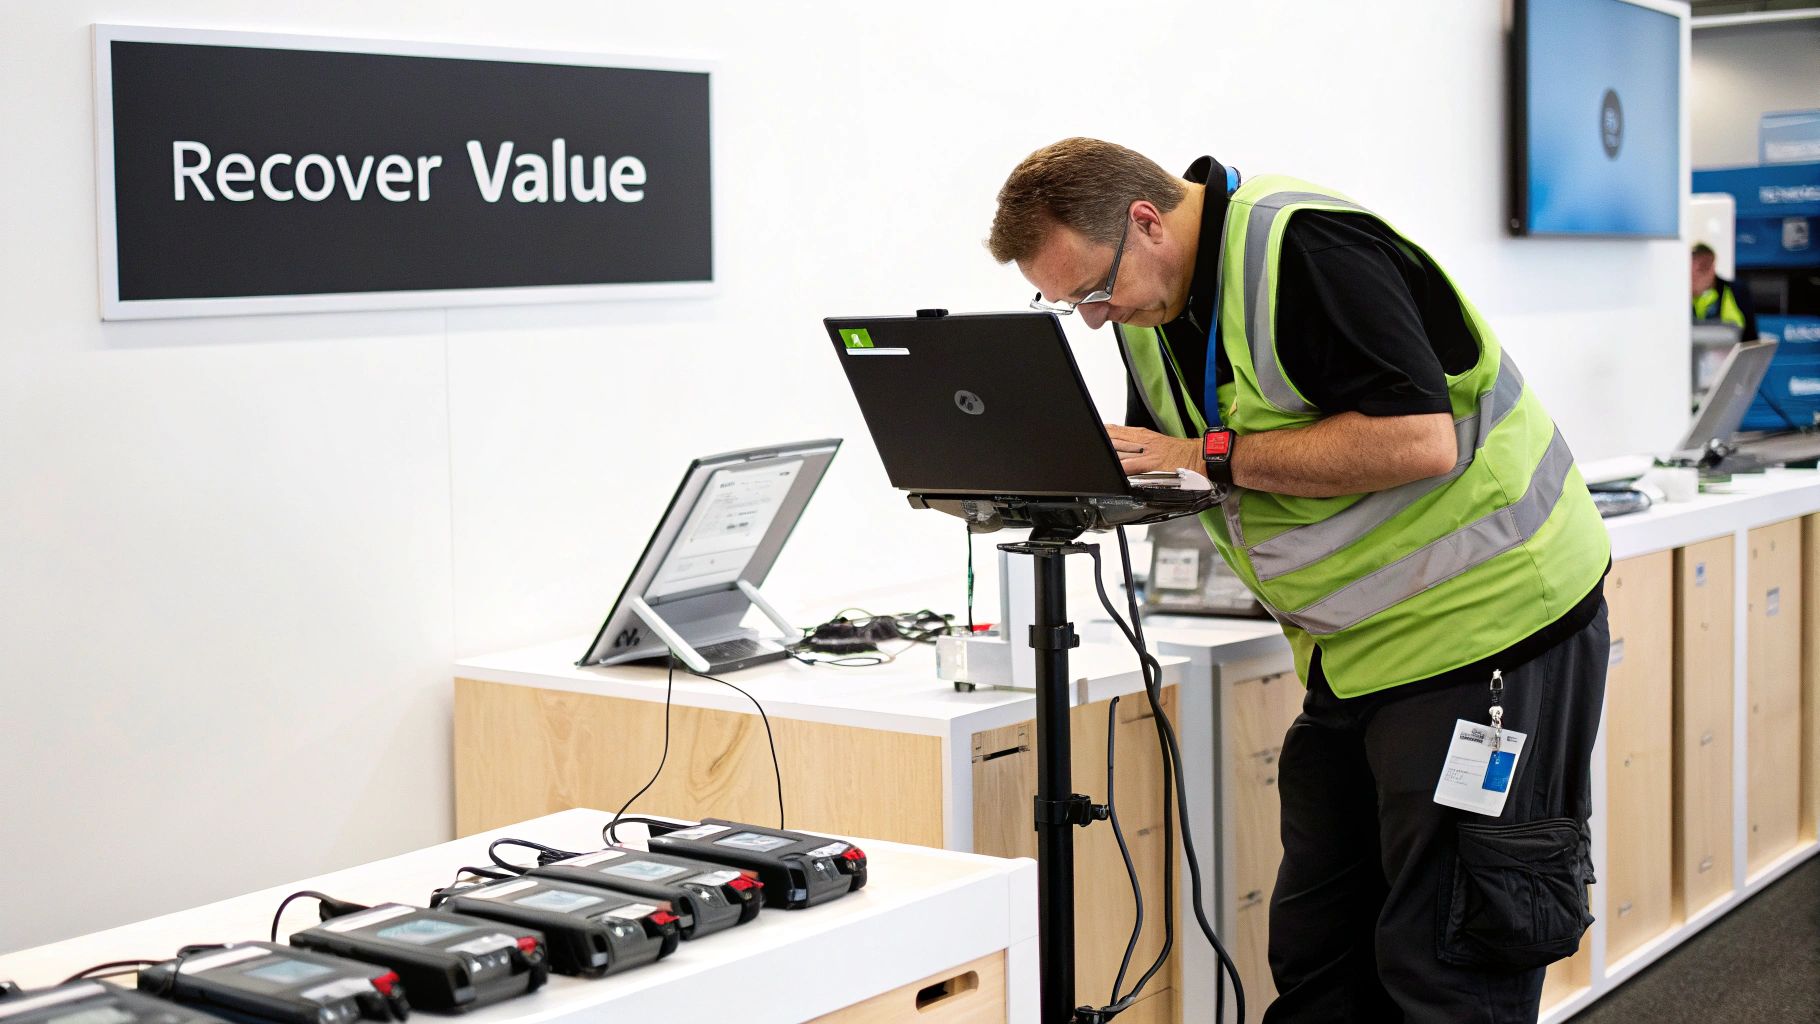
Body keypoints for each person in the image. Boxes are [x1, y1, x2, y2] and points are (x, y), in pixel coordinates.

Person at [986, 138, 1612, 1024]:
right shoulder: (1154, 307)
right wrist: (1067, 478)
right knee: (1321, 948)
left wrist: (1202, 454)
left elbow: (1417, 441)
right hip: (1353, 654)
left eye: (1092, 289)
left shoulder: (1307, 249)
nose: (1093, 317)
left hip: (1490, 626)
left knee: (1450, 958)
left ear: (1147, 220)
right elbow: (1180, 463)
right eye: (1068, 304)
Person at [1691, 242, 1759, 341]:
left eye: (1699, 271)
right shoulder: (1681, 297)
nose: (1694, 279)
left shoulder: (1736, 291)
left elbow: (1751, 337)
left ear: (1712, 269)